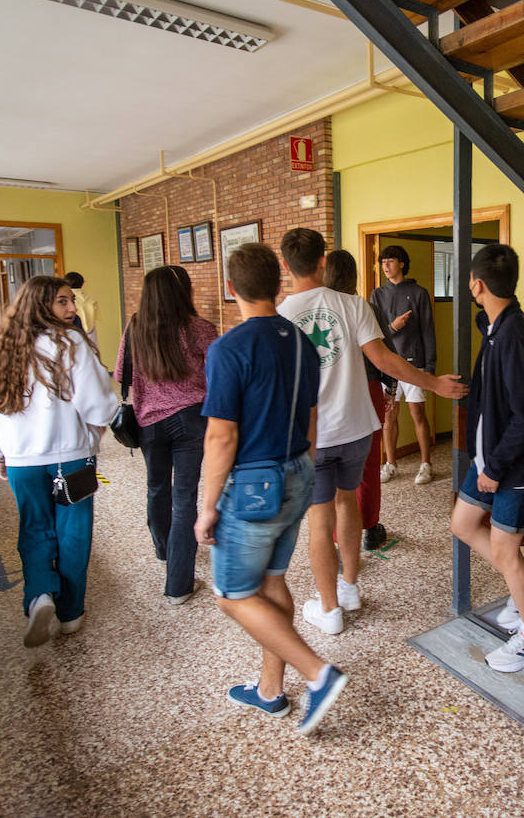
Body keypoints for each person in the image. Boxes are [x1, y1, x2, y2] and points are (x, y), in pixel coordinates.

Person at [277, 228, 465, 636]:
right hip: (358, 429)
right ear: (323, 262)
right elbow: (386, 361)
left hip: (314, 437)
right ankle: (349, 588)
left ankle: (329, 610)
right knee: (348, 504)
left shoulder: (283, 315)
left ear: (286, 266)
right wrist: (434, 384)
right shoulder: (354, 304)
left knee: (318, 520)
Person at [194, 242, 347, 736]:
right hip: (298, 472)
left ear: (230, 289)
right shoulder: (301, 342)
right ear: (279, 285)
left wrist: (205, 508)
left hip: (253, 488)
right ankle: (269, 691)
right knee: (271, 583)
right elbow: (311, 417)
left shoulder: (228, 349)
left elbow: (221, 437)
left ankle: (318, 675)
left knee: (231, 595)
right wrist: (304, 461)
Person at [0, 275, 118, 647]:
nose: (71, 309)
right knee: (73, 533)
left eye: (71, 301)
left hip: (22, 458)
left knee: (34, 528)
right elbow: (99, 402)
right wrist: (96, 432)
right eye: (62, 302)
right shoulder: (71, 344)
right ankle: (70, 613)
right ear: (40, 306)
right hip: (71, 458)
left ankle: (40, 595)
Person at [450, 244, 524, 673]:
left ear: (477, 284)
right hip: (492, 456)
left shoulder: (512, 333)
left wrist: (494, 468)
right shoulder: (495, 327)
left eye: (471, 282)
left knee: (504, 547)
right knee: (462, 523)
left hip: (515, 465)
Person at [115, 265, 218, 604]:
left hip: (149, 423)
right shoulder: (199, 328)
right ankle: (178, 585)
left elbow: (121, 373)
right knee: (184, 497)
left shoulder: (134, 326)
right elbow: (219, 373)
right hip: (191, 420)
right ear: (183, 292)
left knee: (156, 487)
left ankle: (164, 549)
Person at [323, 250, 391, 551]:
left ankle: (338, 539)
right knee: (368, 465)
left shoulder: (317, 308)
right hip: (369, 387)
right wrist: (391, 388)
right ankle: (370, 527)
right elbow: (383, 354)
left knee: (333, 472)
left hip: (328, 394)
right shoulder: (362, 306)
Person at [370, 245, 438, 485]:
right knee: (389, 416)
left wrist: (430, 368)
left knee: (417, 413)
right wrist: (393, 327)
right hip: (387, 365)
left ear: (401, 263)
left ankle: (426, 464)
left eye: (390, 260)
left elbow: (428, 330)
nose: (385, 265)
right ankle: (390, 464)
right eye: (383, 261)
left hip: (414, 364)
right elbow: (374, 332)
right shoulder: (377, 294)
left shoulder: (419, 292)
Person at [63, 271, 99, 347]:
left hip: (72, 331)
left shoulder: (64, 300)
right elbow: (95, 317)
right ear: (82, 284)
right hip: (90, 332)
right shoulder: (91, 300)